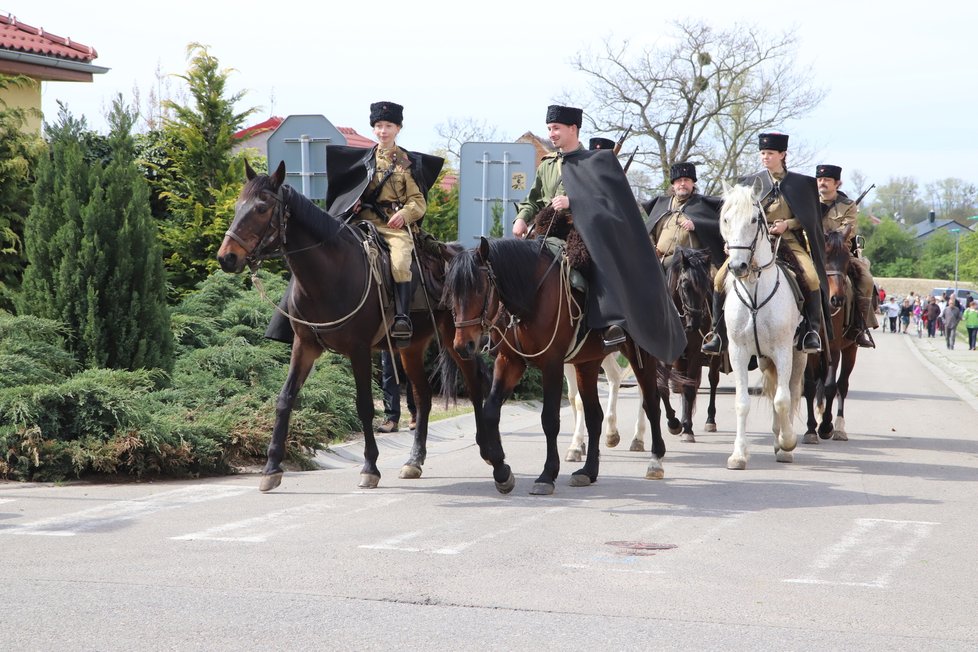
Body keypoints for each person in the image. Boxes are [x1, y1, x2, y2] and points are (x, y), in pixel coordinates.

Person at [512, 104, 685, 362]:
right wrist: (521, 219)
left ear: (573, 129)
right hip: (546, 232)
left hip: (585, 231)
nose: (551, 134)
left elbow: (610, 202)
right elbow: (533, 200)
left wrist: (574, 202)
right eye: (549, 128)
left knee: (597, 264)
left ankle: (609, 325)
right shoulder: (547, 165)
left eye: (556, 128)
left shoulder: (595, 161)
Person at [325, 101, 443, 343]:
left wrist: (405, 215)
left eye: (388, 125)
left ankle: (401, 317)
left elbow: (418, 201)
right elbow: (351, 191)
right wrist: (352, 203)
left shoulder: (406, 163)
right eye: (378, 126)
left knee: (400, 260)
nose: (383, 131)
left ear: (398, 128)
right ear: (373, 129)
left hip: (393, 226)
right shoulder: (363, 160)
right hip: (362, 224)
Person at [703, 132, 830, 354]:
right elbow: (735, 217)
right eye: (762, 153)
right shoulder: (749, 183)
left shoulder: (802, 184)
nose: (765, 157)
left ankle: (811, 332)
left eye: (770, 153)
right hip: (751, 242)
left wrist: (787, 224)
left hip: (787, 240)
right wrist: (732, 241)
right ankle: (718, 334)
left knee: (811, 277)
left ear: (783, 155)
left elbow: (810, 218)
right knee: (719, 279)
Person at [816, 164, 877, 347]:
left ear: (837, 183)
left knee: (866, 280)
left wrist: (829, 239)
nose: (822, 183)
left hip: (839, 255)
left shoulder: (847, 205)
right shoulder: (809, 202)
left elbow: (848, 231)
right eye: (819, 180)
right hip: (814, 253)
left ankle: (857, 327)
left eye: (827, 180)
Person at [642, 162, 725, 271]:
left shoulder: (703, 205)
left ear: (693, 184)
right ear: (673, 185)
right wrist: (652, 247)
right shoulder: (661, 205)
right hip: (662, 261)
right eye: (679, 180)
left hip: (693, 263)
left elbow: (722, 226)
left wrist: (697, 225)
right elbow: (649, 231)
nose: (682, 183)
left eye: (686, 180)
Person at [376, 350, 417, 433]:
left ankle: (416, 415)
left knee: (412, 369)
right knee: (388, 370)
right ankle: (391, 419)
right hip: (387, 338)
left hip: (410, 337)